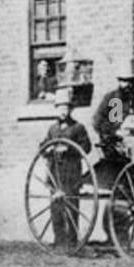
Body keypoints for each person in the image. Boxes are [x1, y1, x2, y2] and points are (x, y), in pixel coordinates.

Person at [40, 87, 92, 247]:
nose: (63, 111)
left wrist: (69, 149)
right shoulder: (53, 128)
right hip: (55, 171)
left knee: (71, 206)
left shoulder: (78, 128)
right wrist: (46, 148)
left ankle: (72, 240)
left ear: (71, 109)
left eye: (66, 108)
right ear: (56, 109)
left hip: (71, 171)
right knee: (56, 207)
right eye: (60, 108)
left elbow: (86, 147)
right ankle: (58, 239)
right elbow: (43, 145)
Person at [92, 62, 134, 166]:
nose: (128, 85)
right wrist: (115, 132)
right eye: (124, 81)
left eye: (131, 81)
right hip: (117, 141)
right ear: (119, 81)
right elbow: (98, 122)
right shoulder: (112, 99)